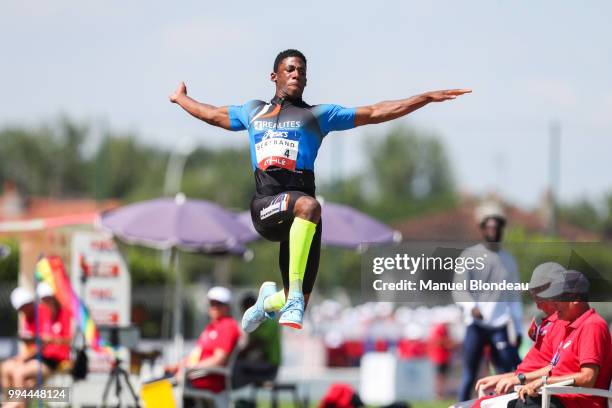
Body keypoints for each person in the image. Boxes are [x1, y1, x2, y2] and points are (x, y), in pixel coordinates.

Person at [170, 49, 471, 331]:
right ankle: (292, 297)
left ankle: (268, 301)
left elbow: (375, 111)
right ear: (274, 76)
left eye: (302, 71)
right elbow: (210, 114)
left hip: (302, 215)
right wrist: (181, 99)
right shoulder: (253, 112)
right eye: (290, 69)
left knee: (296, 295)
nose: (296, 74)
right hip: (267, 208)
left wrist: (425, 98)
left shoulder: (317, 116)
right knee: (310, 207)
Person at [510, 270, 612, 408]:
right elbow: (554, 369)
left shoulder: (592, 325)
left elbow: (588, 378)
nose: (553, 303)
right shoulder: (570, 327)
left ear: (575, 299)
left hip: (577, 402)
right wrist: (527, 380)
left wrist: (544, 381)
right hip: (555, 397)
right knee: (515, 403)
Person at [471, 262, 567, 404]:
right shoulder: (544, 322)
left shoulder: (566, 325)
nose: (538, 304)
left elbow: (557, 369)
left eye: (541, 296)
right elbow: (535, 367)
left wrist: (518, 379)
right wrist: (505, 377)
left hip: (539, 393)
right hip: (527, 388)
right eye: (535, 296)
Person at [454, 207, 523, 401]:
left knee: (504, 372)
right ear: (482, 229)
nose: (493, 230)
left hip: (500, 325)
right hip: (475, 325)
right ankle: (461, 406)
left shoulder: (508, 260)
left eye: (497, 226)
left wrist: (517, 329)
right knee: (469, 374)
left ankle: (505, 404)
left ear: (502, 228)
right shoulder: (470, 255)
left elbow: (513, 296)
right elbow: (459, 288)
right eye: (488, 226)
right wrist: (471, 306)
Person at [167, 286, 241, 396]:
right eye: (212, 303)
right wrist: (178, 366)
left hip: (208, 380)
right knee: (155, 382)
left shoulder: (228, 326)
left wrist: (188, 370)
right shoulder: (212, 327)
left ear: (228, 306)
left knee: (157, 388)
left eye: (219, 304)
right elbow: (196, 355)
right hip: (195, 376)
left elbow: (219, 360)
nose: (214, 307)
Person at [232, 293, 281, 389]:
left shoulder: (268, 321)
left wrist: (237, 355)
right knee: (234, 366)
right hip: (261, 364)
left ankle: (226, 392)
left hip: (270, 367)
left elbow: (257, 344)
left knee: (235, 367)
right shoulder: (255, 323)